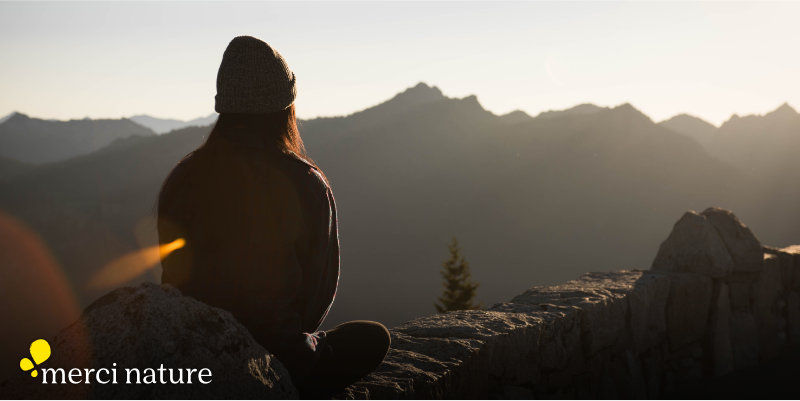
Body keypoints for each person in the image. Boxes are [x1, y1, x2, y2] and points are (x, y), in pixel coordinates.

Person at [157, 35, 390, 396]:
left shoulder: (183, 178)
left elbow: (172, 276)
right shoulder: (305, 182)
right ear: (285, 107)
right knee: (371, 337)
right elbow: (317, 292)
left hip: (191, 354)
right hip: (276, 359)